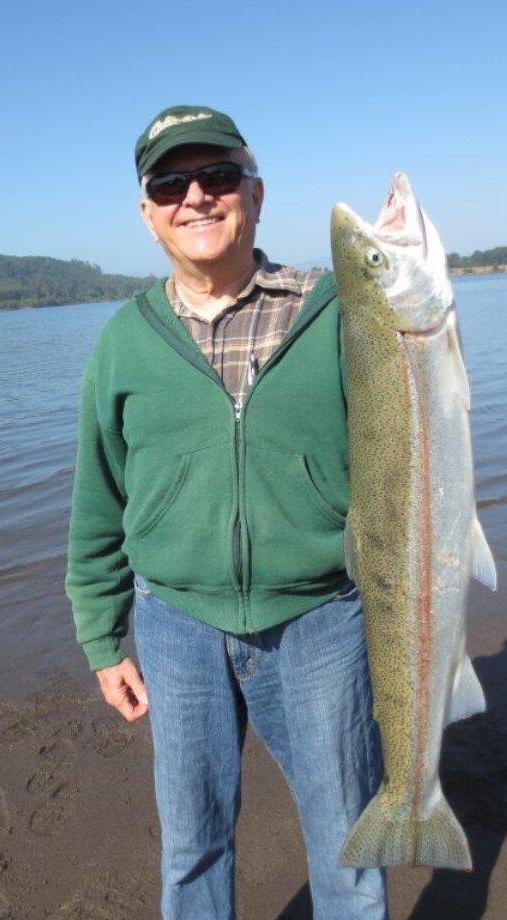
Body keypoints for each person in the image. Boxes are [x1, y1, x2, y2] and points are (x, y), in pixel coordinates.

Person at [65, 105, 388, 919]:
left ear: (256, 193)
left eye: (217, 176)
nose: (196, 197)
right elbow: (97, 499)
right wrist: (102, 637)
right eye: (170, 183)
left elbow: (404, 468)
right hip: (174, 622)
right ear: (148, 214)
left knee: (351, 842)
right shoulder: (123, 343)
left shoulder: (341, 313)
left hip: (321, 616)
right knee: (192, 848)